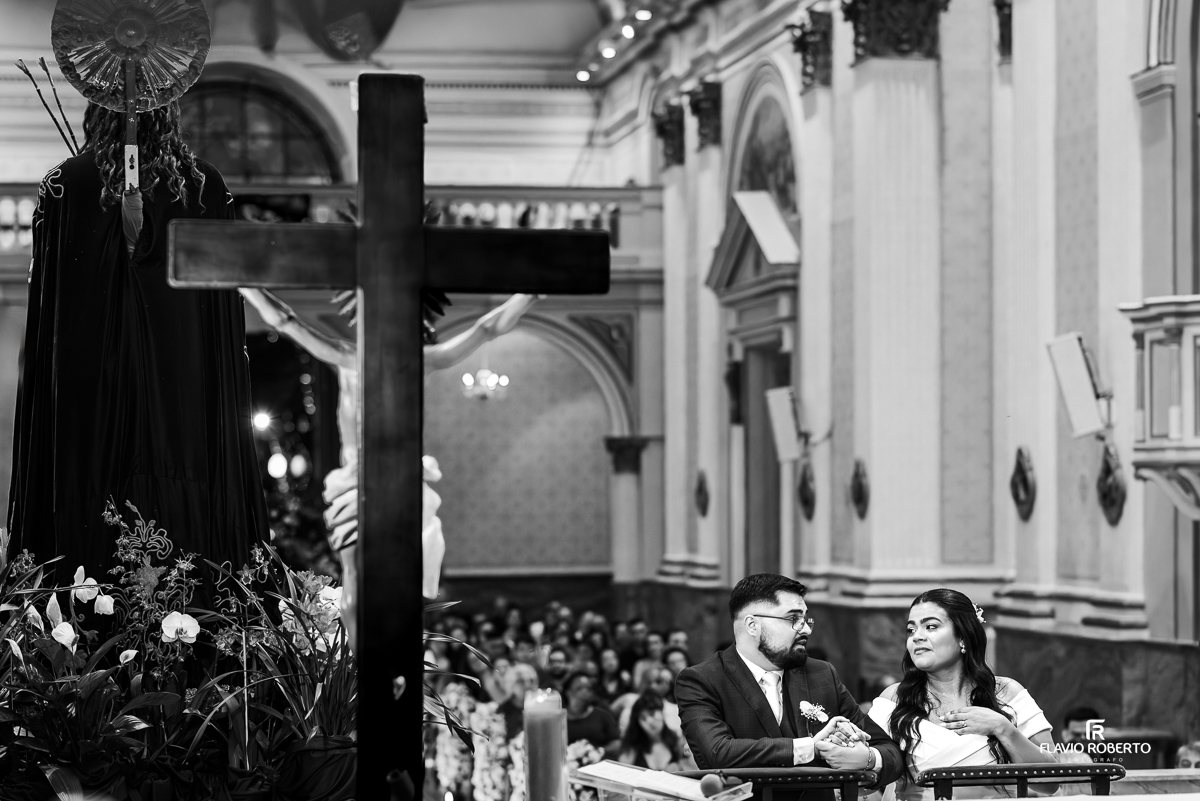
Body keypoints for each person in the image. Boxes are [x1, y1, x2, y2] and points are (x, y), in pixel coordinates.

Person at [9, 101, 269, 591]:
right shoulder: (203, 187)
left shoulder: (65, 184)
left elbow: (48, 320)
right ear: (168, 110)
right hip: (186, 413)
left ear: (97, 109)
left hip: (86, 421)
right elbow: (221, 322)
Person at [676, 573, 902, 798]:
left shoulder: (821, 674)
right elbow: (717, 752)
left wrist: (867, 758)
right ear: (752, 625)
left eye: (805, 619)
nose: (806, 629)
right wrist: (809, 747)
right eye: (793, 618)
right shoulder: (702, 680)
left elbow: (889, 751)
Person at [867, 589, 1059, 801]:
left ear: (963, 638)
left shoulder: (1008, 693)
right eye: (911, 630)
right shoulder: (893, 700)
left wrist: (1004, 729)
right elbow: (865, 780)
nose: (917, 637)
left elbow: (1050, 783)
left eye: (931, 626)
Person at [618, 691, 699, 771]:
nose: (649, 721)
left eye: (652, 714)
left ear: (662, 712)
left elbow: (694, 770)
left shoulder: (678, 741)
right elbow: (622, 773)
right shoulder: (632, 746)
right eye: (643, 719)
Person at [563, 671, 621, 753]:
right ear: (568, 692)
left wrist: (598, 752)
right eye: (580, 688)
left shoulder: (602, 715)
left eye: (588, 689)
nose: (585, 691)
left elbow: (617, 743)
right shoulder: (559, 718)